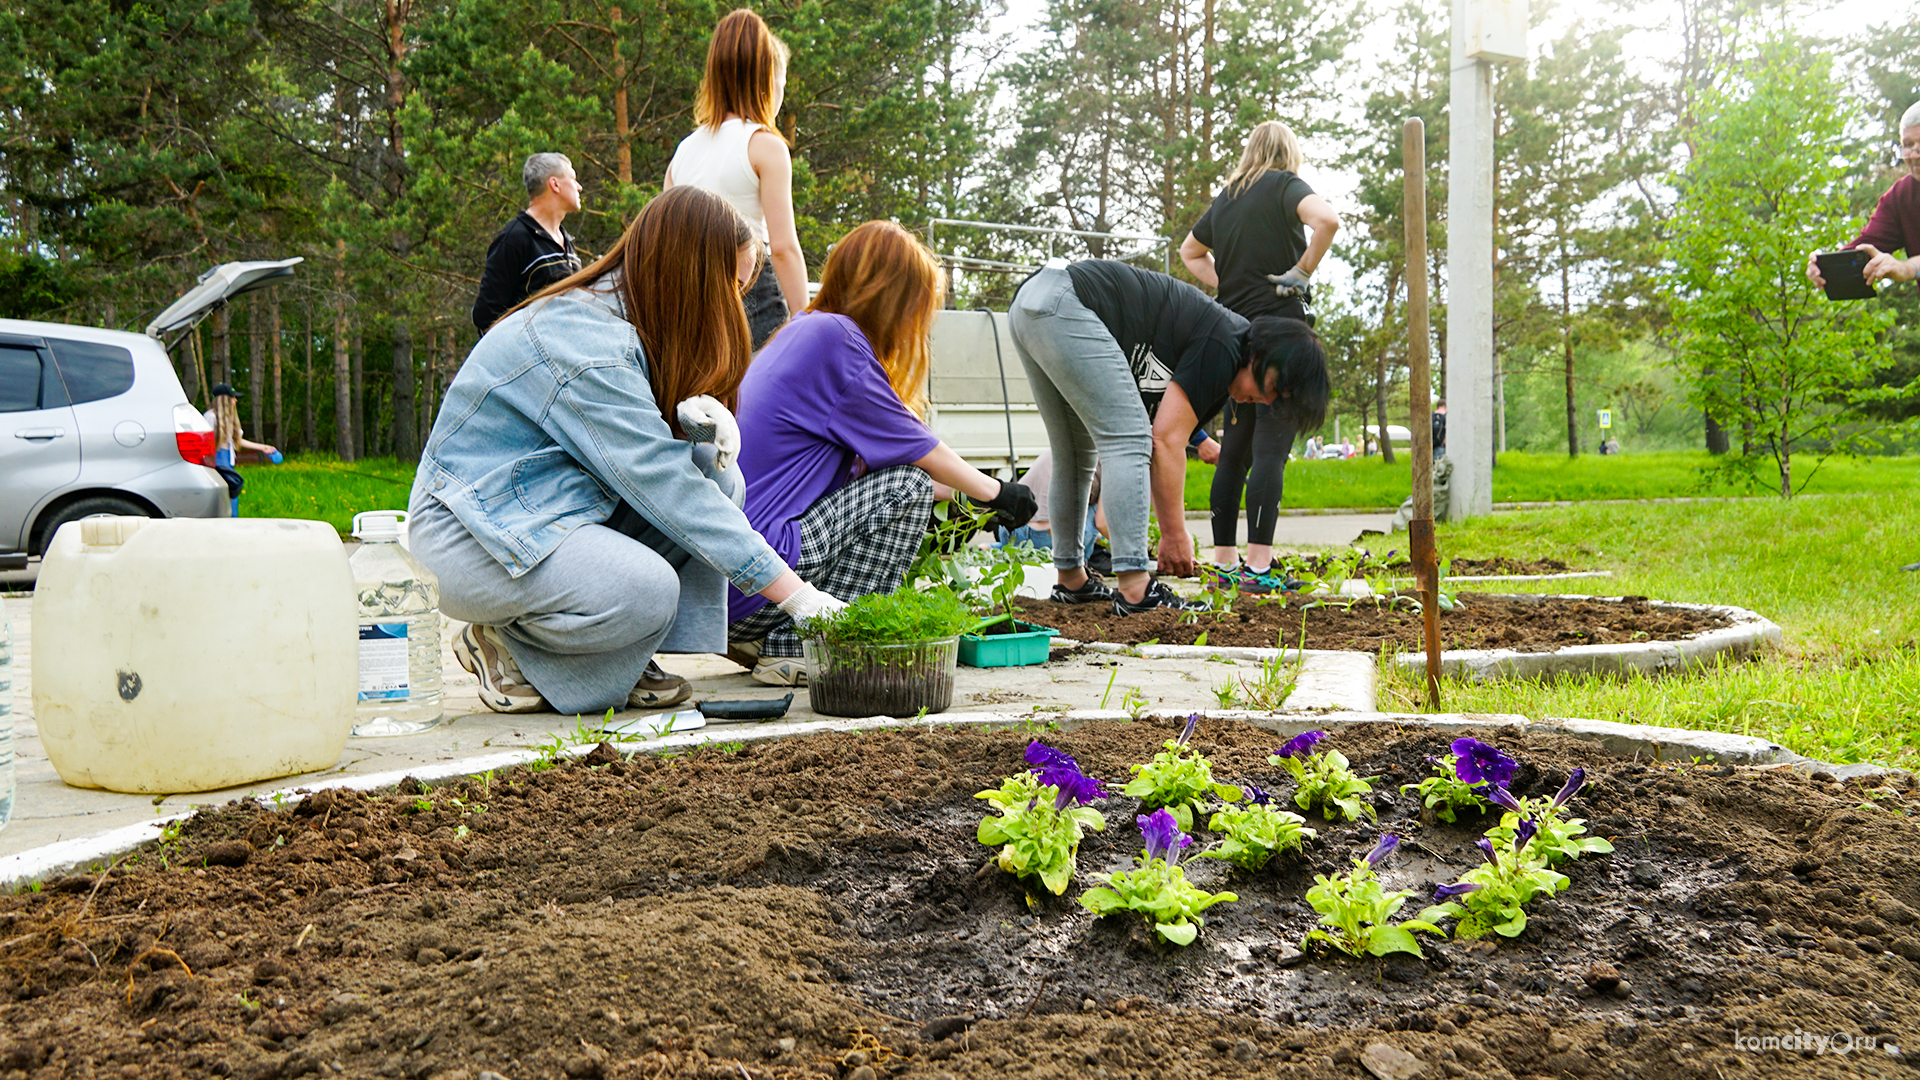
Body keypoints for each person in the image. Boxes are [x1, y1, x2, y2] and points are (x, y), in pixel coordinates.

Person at [409, 186, 848, 715]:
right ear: (689, 275)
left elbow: (662, 465)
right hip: (472, 534)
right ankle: (510, 644)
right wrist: (799, 597)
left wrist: (696, 426)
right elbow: (665, 487)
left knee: (717, 477)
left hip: (541, 508)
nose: (733, 302)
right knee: (647, 588)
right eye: (728, 285)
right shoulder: (583, 341)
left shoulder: (629, 313)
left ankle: (619, 653)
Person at [726, 221, 1037, 684]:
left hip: (737, 582)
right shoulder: (835, 339)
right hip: (763, 570)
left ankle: (772, 637)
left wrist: (967, 500)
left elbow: (880, 479)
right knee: (911, 485)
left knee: (912, 488)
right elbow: (915, 451)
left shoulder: (803, 329)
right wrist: (995, 491)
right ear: (891, 296)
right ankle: (802, 647)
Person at [1008, 257, 1329, 617]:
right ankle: (1135, 589)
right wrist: (1174, 535)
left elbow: (1169, 427)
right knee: (1127, 439)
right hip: (1067, 301)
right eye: (1275, 387)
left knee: (1074, 450)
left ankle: (1071, 579)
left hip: (1031, 302)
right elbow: (1164, 440)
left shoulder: (1222, 357)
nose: (1267, 400)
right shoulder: (1225, 341)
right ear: (1266, 354)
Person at [1179, 120, 1341, 595]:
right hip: (1281, 337)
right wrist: (1301, 271)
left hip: (1235, 337)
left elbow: (1190, 252)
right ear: (1288, 153)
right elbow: (1327, 220)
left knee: (1234, 450)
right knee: (1271, 450)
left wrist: (1228, 287)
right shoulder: (1284, 185)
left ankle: (1225, 564)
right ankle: (1259, 567)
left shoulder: (1226, 198)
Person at [666, 9, 808, 349]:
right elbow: (785, 249)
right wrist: (807, 324)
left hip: (693, 308)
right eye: (781, 85)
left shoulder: (684, 151)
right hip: (752, 301)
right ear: (767, 80)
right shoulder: (765, 146)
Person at [1808, 101, 1920, 297]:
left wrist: (1907, 268)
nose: (1915, 155)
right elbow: (1867, 246)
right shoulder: (1900, 196)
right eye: (1908, 145)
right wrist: (1824, 266)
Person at [471, 153, 585, 334]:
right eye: (573, 179)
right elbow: (486, 316)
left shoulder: (567, 241)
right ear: (554, 184)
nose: (579, 187)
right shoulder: (515, 238)